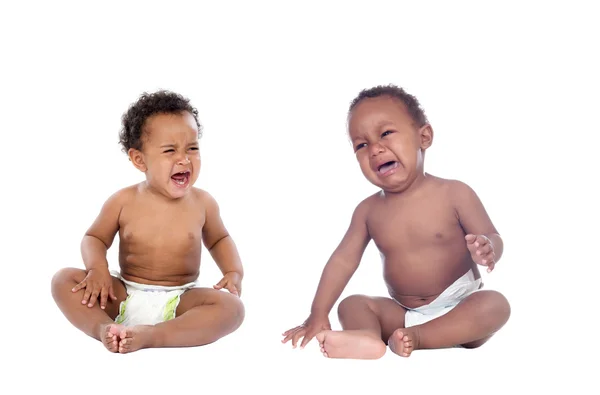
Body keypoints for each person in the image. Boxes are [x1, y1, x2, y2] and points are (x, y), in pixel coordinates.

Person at [282, 85, 510, 359]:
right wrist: (318, 313)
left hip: (462, 308)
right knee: (352, 305)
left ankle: (418, 338)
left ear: (424, 137)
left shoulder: (454, 193)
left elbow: (490, 235)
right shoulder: (368, 211)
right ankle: (367, 338)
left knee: (495, 305)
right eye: (361, 145)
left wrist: (488, 248)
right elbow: (343, 261)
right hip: (404, 315)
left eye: (386, 133)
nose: (375, 149)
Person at [51, 90, 245, 354]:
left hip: (181, 300)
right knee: (64, 280)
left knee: (232, 309)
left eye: (192, 148)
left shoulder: (203, 203)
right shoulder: (123, 201)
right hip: (124, 294)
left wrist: (233, 272)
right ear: (139, 159)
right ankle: (103, 329)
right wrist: (98, 269)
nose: (184, 159)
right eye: (169, 150)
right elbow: (94, 238)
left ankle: (154, 335)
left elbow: (220, 239)